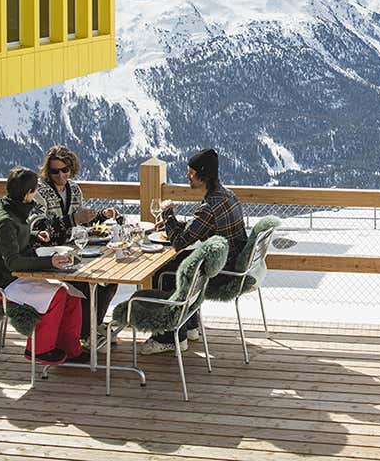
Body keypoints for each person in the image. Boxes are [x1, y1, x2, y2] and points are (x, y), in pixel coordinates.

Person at [138, 148, 247, 355]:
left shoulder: (209, 207)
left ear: (203, 175)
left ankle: (169, 338)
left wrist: (167, 212)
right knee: (179, 265)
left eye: (191, 172)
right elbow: (196, 229)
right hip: (233, 262)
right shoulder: (226, 195)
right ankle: (190, 326)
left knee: (164, 274)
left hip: (223, 273)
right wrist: (173, 223)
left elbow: (179, 242)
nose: (187, 176)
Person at [0, 167, 85, 365]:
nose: (36, 194)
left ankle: (71, 349)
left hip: (15, 276)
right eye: (34, 190)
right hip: (2, 283)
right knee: (57, 295)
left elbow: (13, 240)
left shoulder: (14, 212)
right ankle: (39, 350)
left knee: (71, 294)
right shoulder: (5, 220)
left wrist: (33, 235)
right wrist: (50, 262)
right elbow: (12, 261)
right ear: (26, 194)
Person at [30, 145, 117, 346]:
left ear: (72, 168)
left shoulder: (74, 189)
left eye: (65, 170)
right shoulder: (39, 191)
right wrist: (73, 219)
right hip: (48, 253)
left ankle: (92, 324)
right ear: (48, 171)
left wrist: (101, 216)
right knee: (86, 281)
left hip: (72, 249)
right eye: (55, 171)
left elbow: (80, 220)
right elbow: (38, 226)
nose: (60, 175)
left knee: (110, 279)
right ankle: (86, 334)